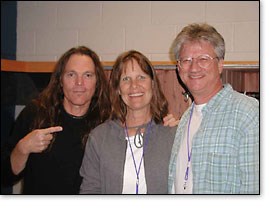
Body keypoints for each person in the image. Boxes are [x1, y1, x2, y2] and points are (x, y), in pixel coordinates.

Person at [1, 46, 111, 194]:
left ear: (97, 82)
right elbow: (5, 177)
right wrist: (22, 149)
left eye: (88, 75)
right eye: (71, 74)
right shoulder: (35, 114)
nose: (79, 83)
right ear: (60, 80)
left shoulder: (107, 122)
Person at [168, 23, 259, 194]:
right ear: (178, 68)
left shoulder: (248, 113)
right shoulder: (185, 119)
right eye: (186, 60)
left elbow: (255, 190)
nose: (194, 68)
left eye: (203, 59)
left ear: (220, 64)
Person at [79, 50, 177, 194]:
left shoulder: (171, 135)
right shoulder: (99, 138)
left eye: (141, 77)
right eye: (126, 79)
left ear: (152, 83)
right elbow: (90, 191)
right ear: (118, 88)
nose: (134, 86)